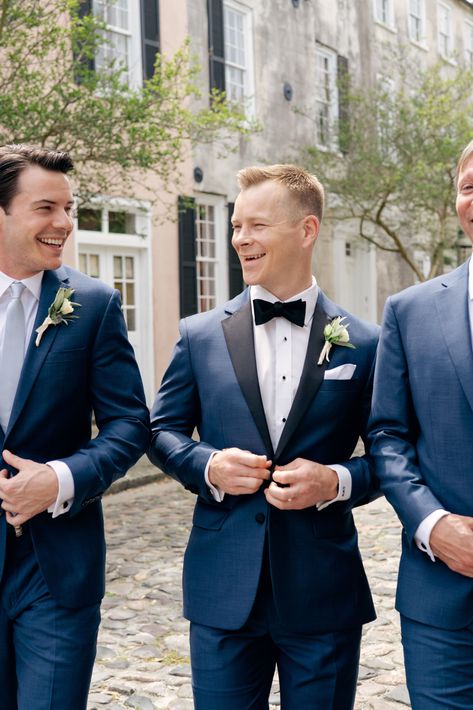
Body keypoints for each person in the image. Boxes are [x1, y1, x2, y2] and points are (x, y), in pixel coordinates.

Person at [148, 164, 380, 709]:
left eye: (256, 226)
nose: (240, 240)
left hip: (323, 592)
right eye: (235, 227)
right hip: (222, 588)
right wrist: (207, 466)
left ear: (306, 230)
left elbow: (389, 451)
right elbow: (162, 432)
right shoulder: (199, 335)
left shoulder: (364, 343)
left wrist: (336, 480)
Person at [0, 144, 149, 710]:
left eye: (70, 208)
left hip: (56, 567)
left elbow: (130, 424)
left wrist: (61, 479)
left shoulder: (92, 304)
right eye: (46, 208)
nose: (64, 223)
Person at [369, 138, 473, 708]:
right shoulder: (409, 311)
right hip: (440, 595)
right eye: (469, 186)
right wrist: (433, 526)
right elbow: (387, 434)